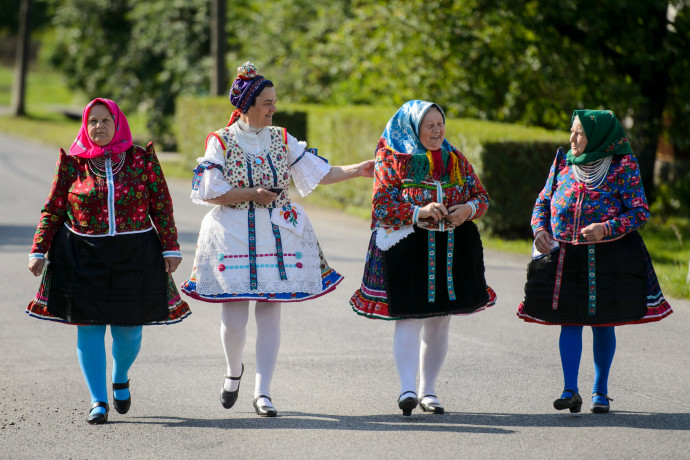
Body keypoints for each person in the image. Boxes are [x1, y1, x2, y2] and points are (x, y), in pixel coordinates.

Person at [181, 62, 374, 417]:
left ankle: (263, 392)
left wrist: (357, 171)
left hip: (275, 236)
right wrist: (251, 193)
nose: (274, 108)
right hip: (233, 234)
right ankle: (233, 370)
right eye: (268, 102)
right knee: (234, 320)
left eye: (273, 101)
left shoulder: (281, 138)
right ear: (248, 104)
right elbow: (207, 190)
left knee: (271, 312)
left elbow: (317, 171)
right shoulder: (220, 140)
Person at [27, 98, 191, 425]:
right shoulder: (73, 163)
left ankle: (120, 376)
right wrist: (38, 249)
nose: (99, 126)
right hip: (81, 254)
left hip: (136, 254)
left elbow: (162, 205)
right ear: (85, 127)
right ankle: (97, 401)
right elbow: (54, 209)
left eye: (105, 120)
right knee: (88, 328)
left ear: (118, 123)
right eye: (92, 121)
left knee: (128, 332)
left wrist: (170, 247)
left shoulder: (142, 160)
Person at [517, 109, 673, 413]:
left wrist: (606, 228)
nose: (573, 138)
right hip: (566, 255)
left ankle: (600, 392)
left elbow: (640, 211)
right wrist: (539, 229)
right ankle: (569, 390)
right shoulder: (563, 161)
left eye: (580, 133)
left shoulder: (622, 165)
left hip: (609, 256)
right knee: (569, 320)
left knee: (603, 323)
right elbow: (543, 201)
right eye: (572, 131)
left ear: (599, 136)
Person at [350, 100, 496, 416]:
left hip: (451, 250)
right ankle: (406, 389)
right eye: (429, 125)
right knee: (409, 316)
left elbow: (481, 197)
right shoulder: (396, 158)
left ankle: (428, 391)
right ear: (415, 127)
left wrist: (467, 210)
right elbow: (381, 206)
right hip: (408, 249)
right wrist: (420, 212)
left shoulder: (454, 158)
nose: (437, 130)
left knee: (440, 321)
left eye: (440, 124)